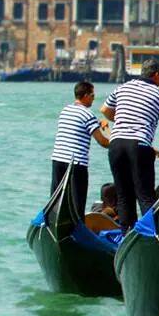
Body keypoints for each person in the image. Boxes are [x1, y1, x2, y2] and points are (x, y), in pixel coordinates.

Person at [100, 59, 159, 229]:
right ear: (156, 75)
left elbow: (104, 110)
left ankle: (127, 233)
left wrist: (122, 120)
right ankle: (151, 234)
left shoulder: (123, 87)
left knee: (124, 195)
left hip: (116, 145)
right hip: (139, 146)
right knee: (145, 196)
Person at [51, 81, 110, 218]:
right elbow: (103, 142)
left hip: (58, 159)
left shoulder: (65, 110)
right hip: (76, 164)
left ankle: (53, 221)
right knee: (78, 203)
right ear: (85, 96)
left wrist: (97, 123)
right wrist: (107, 130)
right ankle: (77, 227)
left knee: (56, 199)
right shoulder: (87, 115)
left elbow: (77, 128)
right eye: (92, 95)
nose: (94, 98)